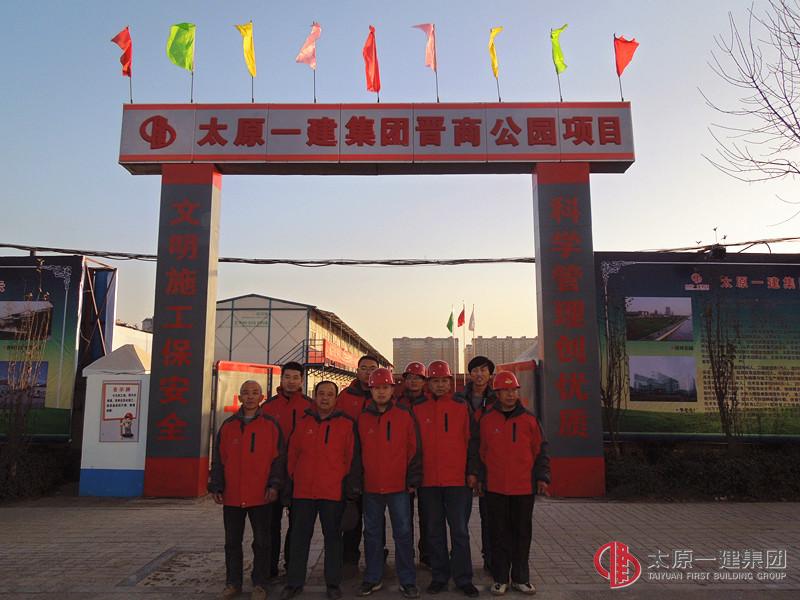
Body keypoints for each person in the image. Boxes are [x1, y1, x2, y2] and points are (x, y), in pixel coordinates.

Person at [281, 381, 361, 600]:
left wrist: (349, 489)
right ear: (314, 396)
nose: (325, 398)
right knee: (299, 538)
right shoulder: (303, 422)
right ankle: (294, 582)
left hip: (332, 492)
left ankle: (333, 583)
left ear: (336, 398)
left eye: (330, 394)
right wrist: (291, 483)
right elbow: (292, 455)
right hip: (303, 492)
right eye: (321, 394)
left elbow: (351, 458)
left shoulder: (346, 424)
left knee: (333, 539)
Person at [209, 380, 286, 600]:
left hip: (260, 495)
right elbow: (219, 459)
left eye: (254, 393)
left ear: (261, 397)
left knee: (262, 542)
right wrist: (216, 485)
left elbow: (279, 460)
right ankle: (233, 583)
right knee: (232, 542)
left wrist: (274, 485)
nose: (250, 396)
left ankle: (260, 583)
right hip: (233, 495)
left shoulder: (270, 425)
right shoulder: (228, 426)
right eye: (245, 392)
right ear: (240, 397)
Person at [412, 360, 480, 598]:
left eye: (444, 381)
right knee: (434, 532)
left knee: (459, 531)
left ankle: (463, 578)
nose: (440, 385)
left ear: (450, 383)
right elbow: (411, 445)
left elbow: (473, 441)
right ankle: (439, 577)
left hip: (457, 481)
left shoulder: (461, 406)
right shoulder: (417, 408)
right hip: (428, 482)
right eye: (435, 381)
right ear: (428, 384)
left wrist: (472, 472)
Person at [479, 371, 550, 596]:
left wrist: (542, 477)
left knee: (522, 533)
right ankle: (500, 578)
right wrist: (480, 478)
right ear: (497, 393)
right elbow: (480, 451)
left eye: (513, 390)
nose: (510, 394)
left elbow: (540, 450)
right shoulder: (487, 420)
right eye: (505, 391)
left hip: (523, 487)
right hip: (495, 487)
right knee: (498, 534)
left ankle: (521, 578)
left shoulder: (529, 420)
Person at [356, 367, 422, 599]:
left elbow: (414, 449)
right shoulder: (363, 418)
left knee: (403, 533)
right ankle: (373, 577)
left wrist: (412, 478)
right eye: (377, 388)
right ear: (371, 390)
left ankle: (407, 579)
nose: (381, 392)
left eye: (385, 387)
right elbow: (356, 452)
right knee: (372, 533)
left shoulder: (404, 415)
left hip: (398, 487)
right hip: (371, 486)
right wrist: (357, 481)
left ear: (393, 390)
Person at [262, 362, 312, 579]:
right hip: (272, 474)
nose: (291, 381)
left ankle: (293, 567)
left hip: (300, 475)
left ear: (302, 380)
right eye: (287, 377)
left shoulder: (310, 407)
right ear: (281, 379)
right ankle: (268, 567)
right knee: (270, 525)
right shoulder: (268, 407)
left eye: (295, 377)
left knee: (297, 525)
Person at [338, 355, 380, 570]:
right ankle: (349, 558)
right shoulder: (345, 396)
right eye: (364, 368)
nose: (368, 372)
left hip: (376, 465)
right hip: (350, 465)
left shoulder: (383, 395)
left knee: (375, 518)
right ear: (357, 371)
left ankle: (378, 557)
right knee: (351, 515)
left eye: (372, 368)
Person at [456, 356, 497, 574]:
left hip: (490, 465)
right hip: (463, 464)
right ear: (469, 374)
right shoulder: (458, 399)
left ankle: (491, 558)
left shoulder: (497, 400)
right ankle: (458, 562)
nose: (479, 374)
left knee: (490, 517)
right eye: (475, 370)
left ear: (490, 374)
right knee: (459, 519)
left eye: (483, 370)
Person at [396, 362, 430, 567]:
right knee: (404, 517)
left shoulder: (430, 403)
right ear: (404, 380)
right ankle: (406, 556)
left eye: (418, 378)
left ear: (424, 381)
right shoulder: (397, 403)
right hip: (403, 468)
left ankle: (427, 554)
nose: (414, 381)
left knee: (427, 516)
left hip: (428, 468)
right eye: (410, 378)